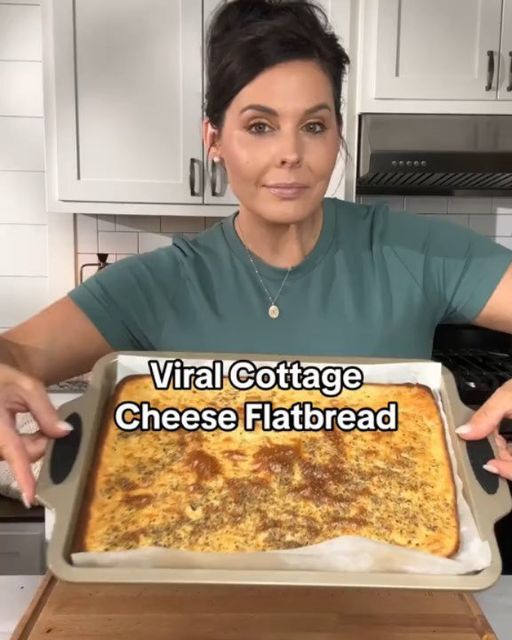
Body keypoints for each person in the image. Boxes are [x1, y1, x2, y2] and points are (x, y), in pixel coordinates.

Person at [1, 0, 512, 508]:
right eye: (260, 126)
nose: (290, 152)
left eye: (313, 126)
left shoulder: (412, 252)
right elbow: (15, 355)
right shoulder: (159, 285)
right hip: (206, 577)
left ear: (338, 135)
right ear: (214, 139)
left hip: (392, 573)